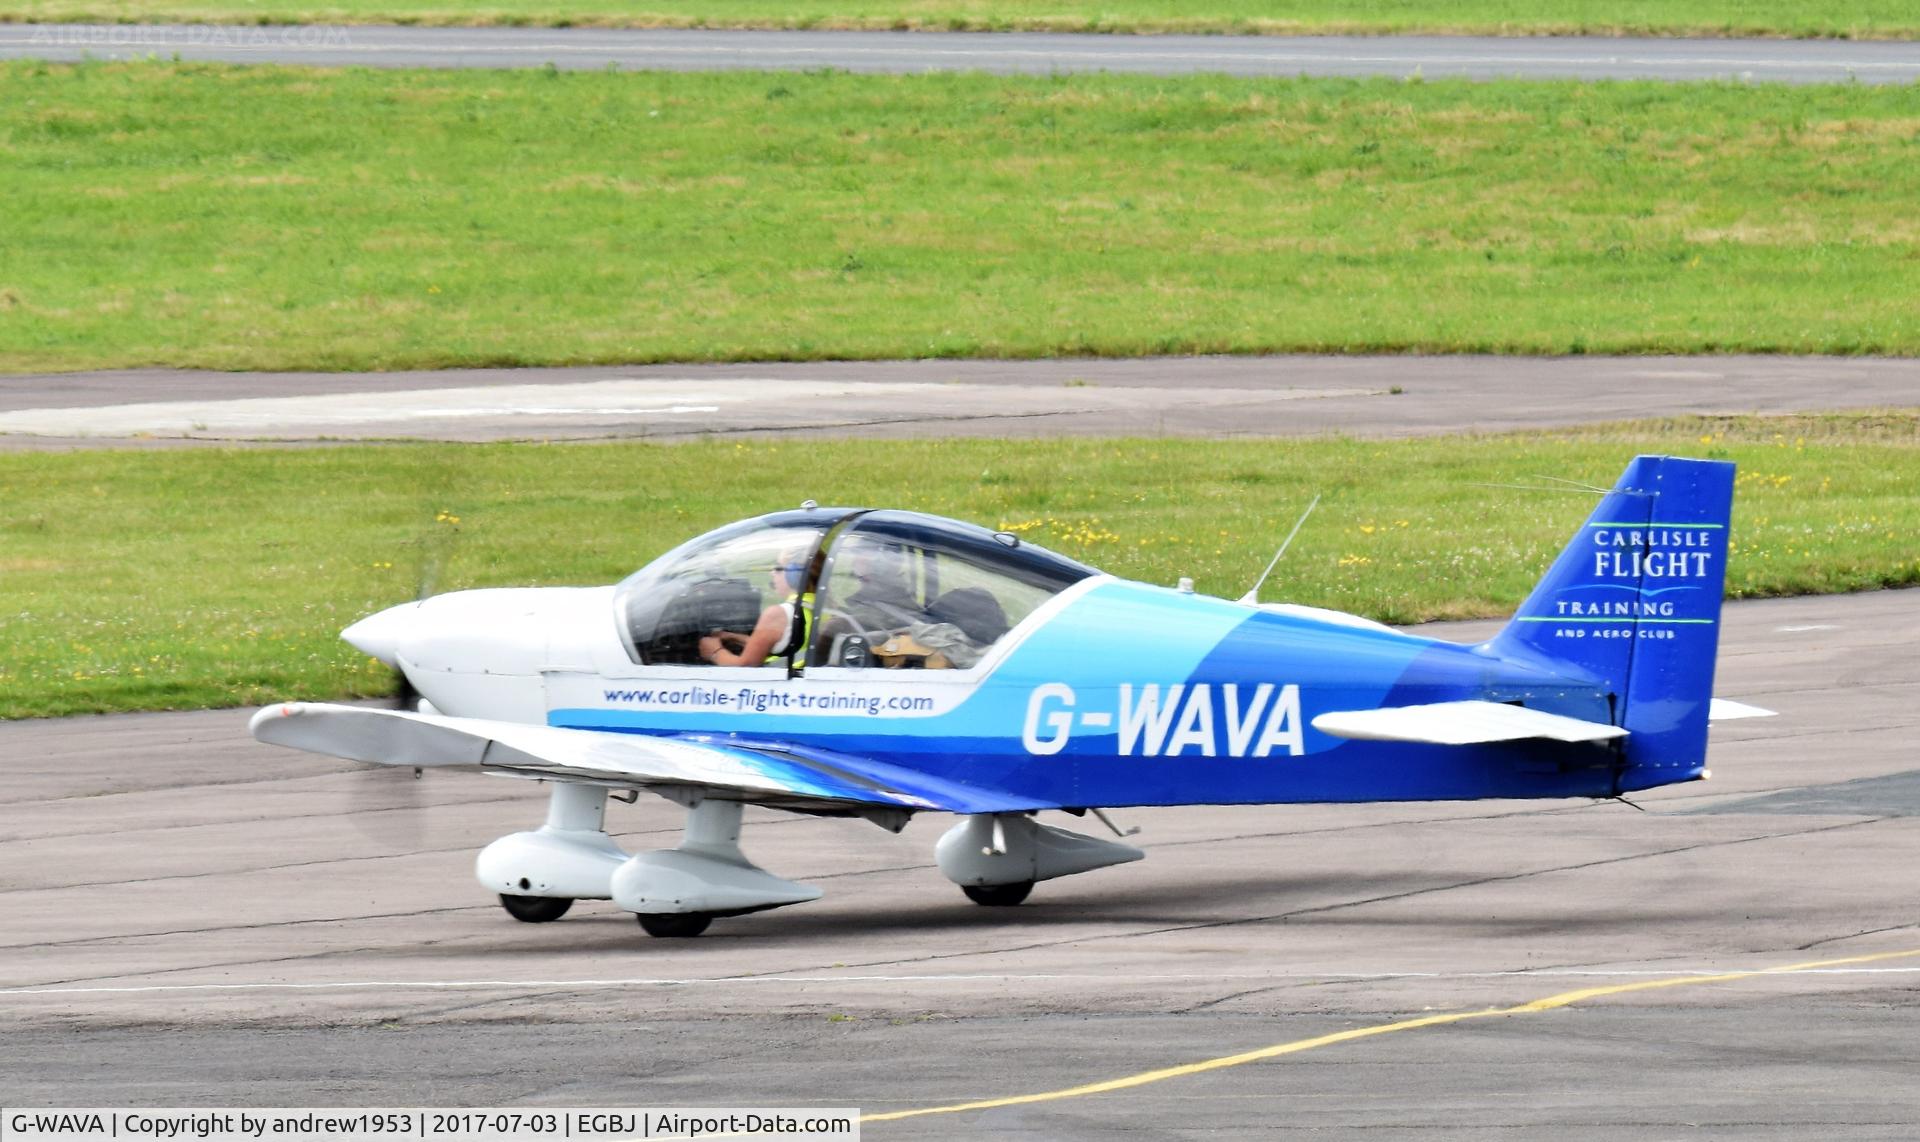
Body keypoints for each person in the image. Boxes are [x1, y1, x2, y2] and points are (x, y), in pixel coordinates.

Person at [700, 550, 815, 667]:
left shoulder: (779, 614)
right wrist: (734, 637)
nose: (772, 573)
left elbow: (745, 667)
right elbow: (786, 643)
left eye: (779, 568)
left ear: (796, 575)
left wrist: (714, 652)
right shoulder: (817, 606)